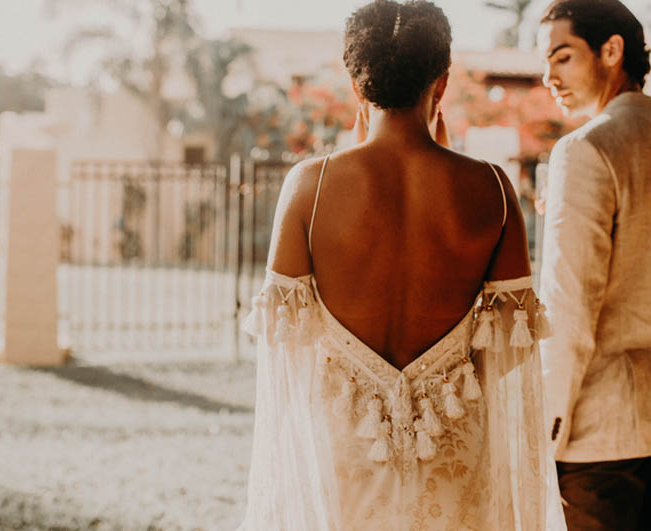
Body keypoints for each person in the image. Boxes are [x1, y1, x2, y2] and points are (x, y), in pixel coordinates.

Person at [238, 1, 560, 529]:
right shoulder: (491, 189)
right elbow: (508, 352)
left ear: (355, 81)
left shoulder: (310, 189)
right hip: (455, 443)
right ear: (444, 80)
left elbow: (285, 353)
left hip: (346, 445)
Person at [537, 1, 651, 529]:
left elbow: (568, 309)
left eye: (562, 57)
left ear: (612, 51)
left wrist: (543, 431)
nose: (549, 78)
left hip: (598, 441)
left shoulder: (585, 150)